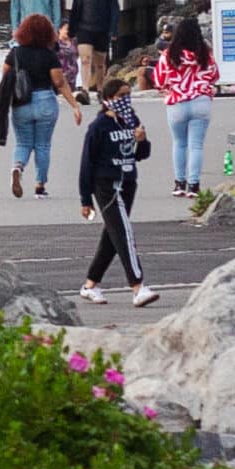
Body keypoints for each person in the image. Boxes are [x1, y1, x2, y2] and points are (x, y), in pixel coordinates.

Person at [78, 71, 159, 307]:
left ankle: (90, 284)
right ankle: (138, 285)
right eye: (123, 95)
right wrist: (85, 199)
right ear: (110, 98)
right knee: (124, 233)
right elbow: (86, 163)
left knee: (112, 236)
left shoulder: (131, 119)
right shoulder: (99, 127)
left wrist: (141, 140)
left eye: (129, 95)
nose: (127, 100)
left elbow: (141, 155)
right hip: (106, 185)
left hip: (128, 182)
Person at [5, 10, 82, 199]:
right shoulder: (49, 55)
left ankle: (18, 167)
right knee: (43, 145)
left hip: (21, 102)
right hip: (45, 101)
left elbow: (5, 78)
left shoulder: (15, 53)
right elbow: (59, 82)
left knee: (23, 142)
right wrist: (74, 105)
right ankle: (40, 186)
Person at [152, 11, 219, 201]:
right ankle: (194, 185)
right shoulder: (204, 55)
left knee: (179, 144)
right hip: (201, 102)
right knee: (196, 146)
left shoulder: (169, 55)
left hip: (177, 102)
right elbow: (215, 76)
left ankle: (179, 184)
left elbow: (158, 80)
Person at [63, 0, 122, 98]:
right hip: (84, 29)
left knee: (100, 64)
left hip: (101, 29)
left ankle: (101, 89)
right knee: (85, 60)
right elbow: (75, 9)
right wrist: (71, 31)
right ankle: (85, 90)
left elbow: (114, 9)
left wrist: (113, 29)